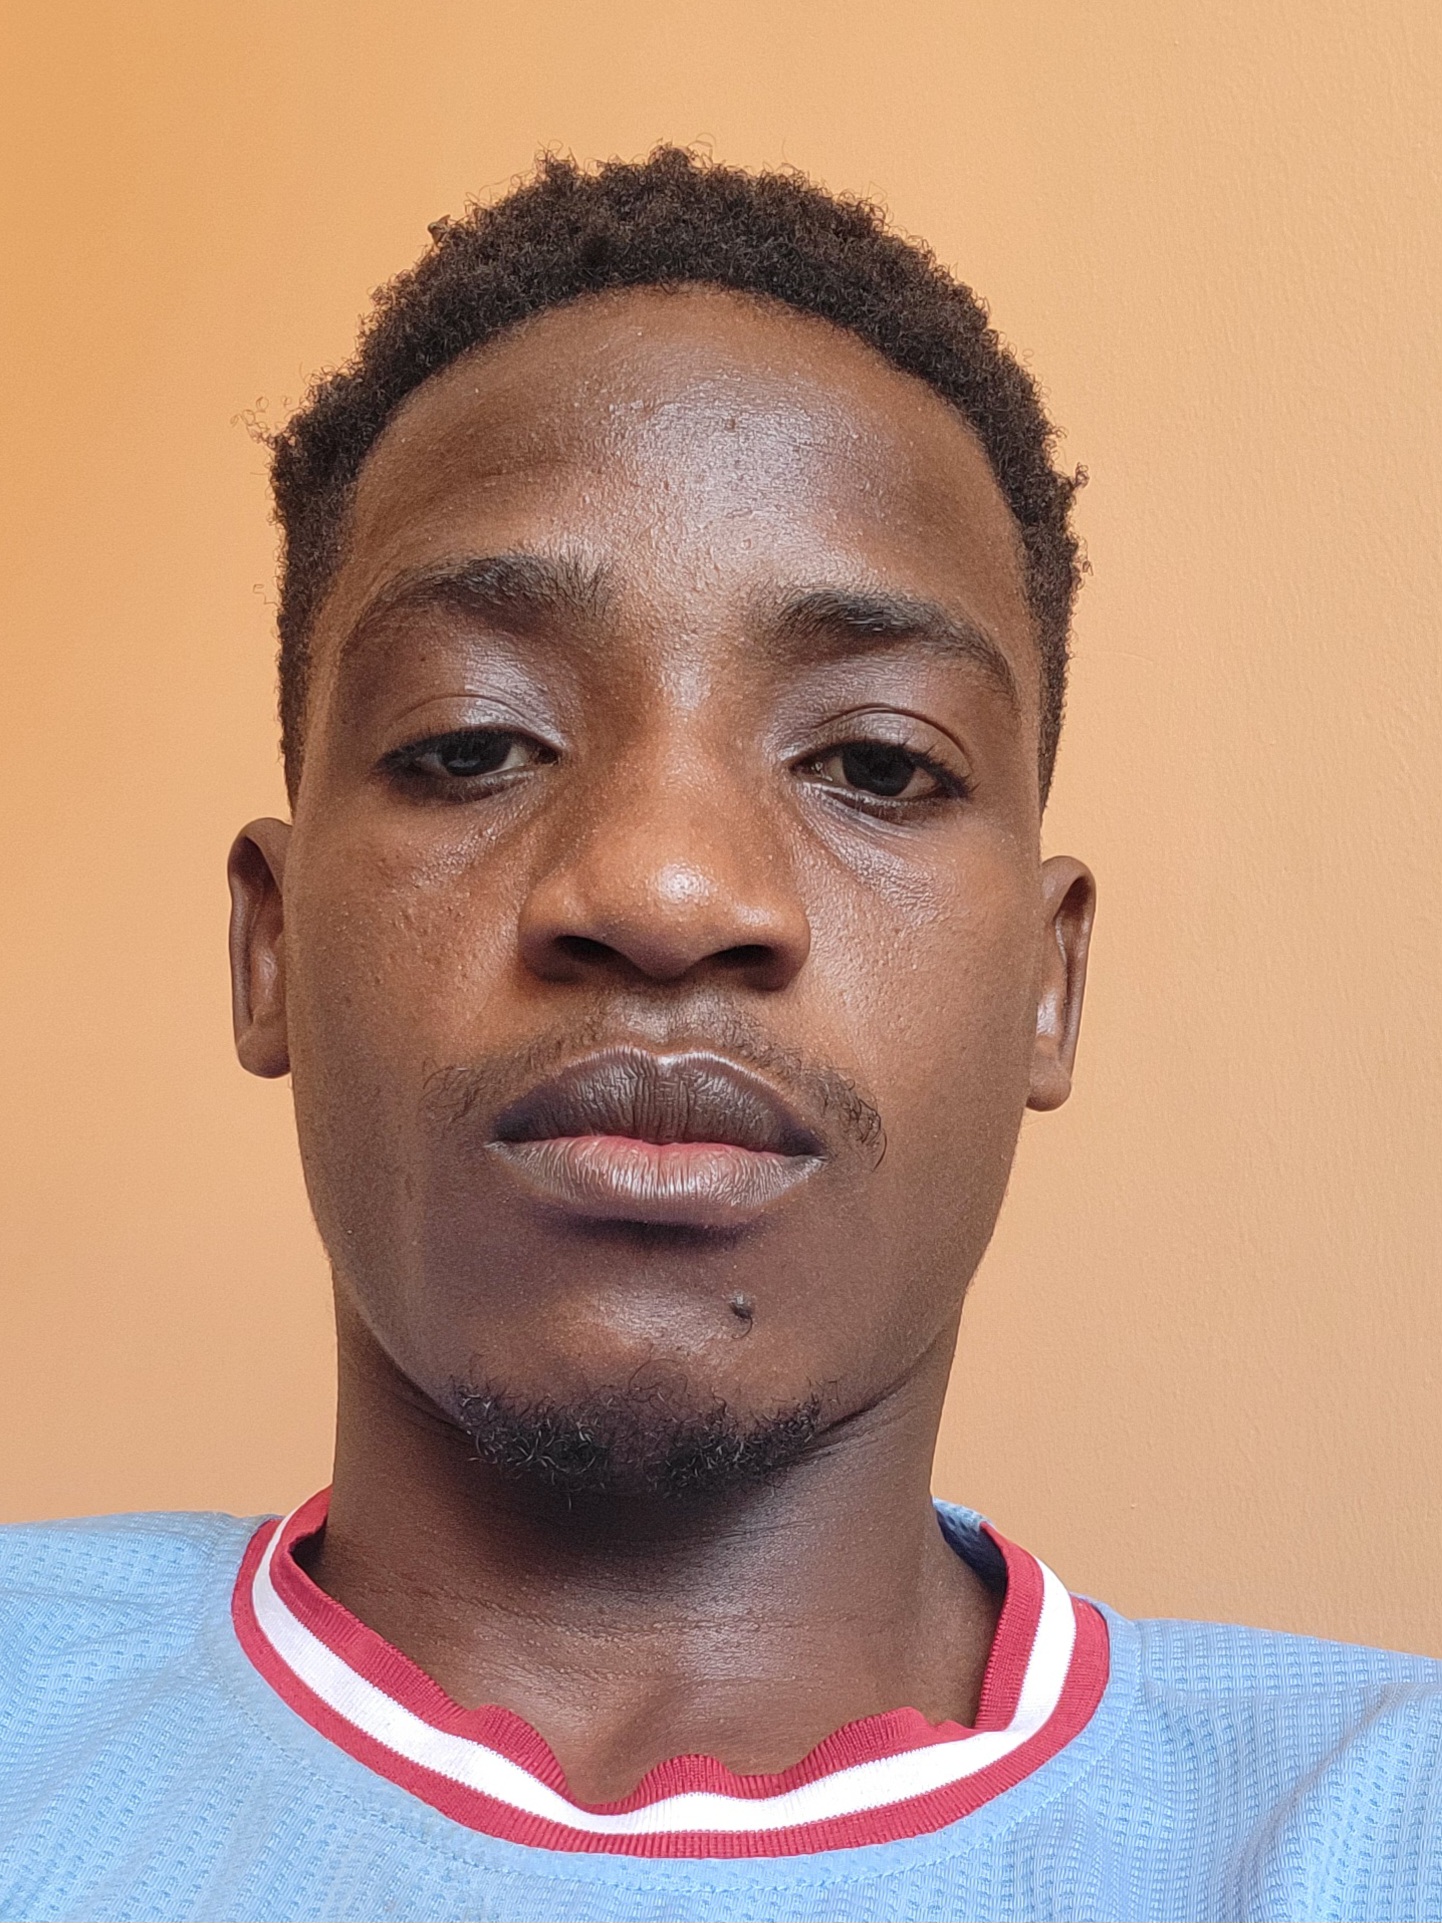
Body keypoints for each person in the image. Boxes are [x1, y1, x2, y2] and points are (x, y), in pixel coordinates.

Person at [1, 148, 1438, 1923]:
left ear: (1047, 983)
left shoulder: (1381, 1831)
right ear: (272, 946)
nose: (666, 887)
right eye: (471, 743)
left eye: (876, 765)